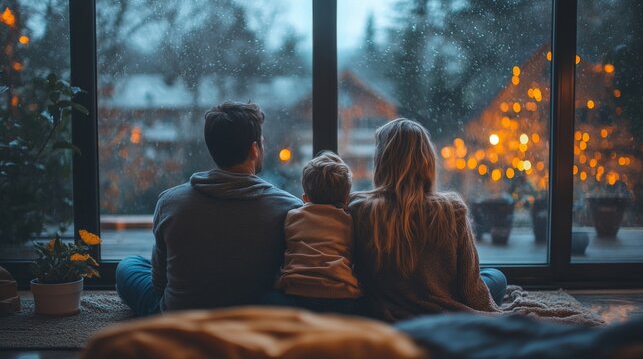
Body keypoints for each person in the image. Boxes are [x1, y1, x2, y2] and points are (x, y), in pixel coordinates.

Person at [115, 101, 302, 316]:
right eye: (261, 142)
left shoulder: (170, 202)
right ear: (254, 149)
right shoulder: (289, 207)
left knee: (128, 266)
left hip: (180, 318)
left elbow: (159, 284)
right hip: (252, 317)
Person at [348, 118, 506, 322]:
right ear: (427, 160)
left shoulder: (358, 207)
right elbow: (470, 289)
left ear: (381, 162)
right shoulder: (451, 208)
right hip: (443, 309)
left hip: (384, 309)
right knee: (496, 277)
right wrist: (488, 314)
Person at [267, 151, 361, 314]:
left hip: (295, 292)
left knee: (266, 300)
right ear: (347, 199)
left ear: (305, 198)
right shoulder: (349, 220)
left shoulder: (292, 216)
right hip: (341, 294)